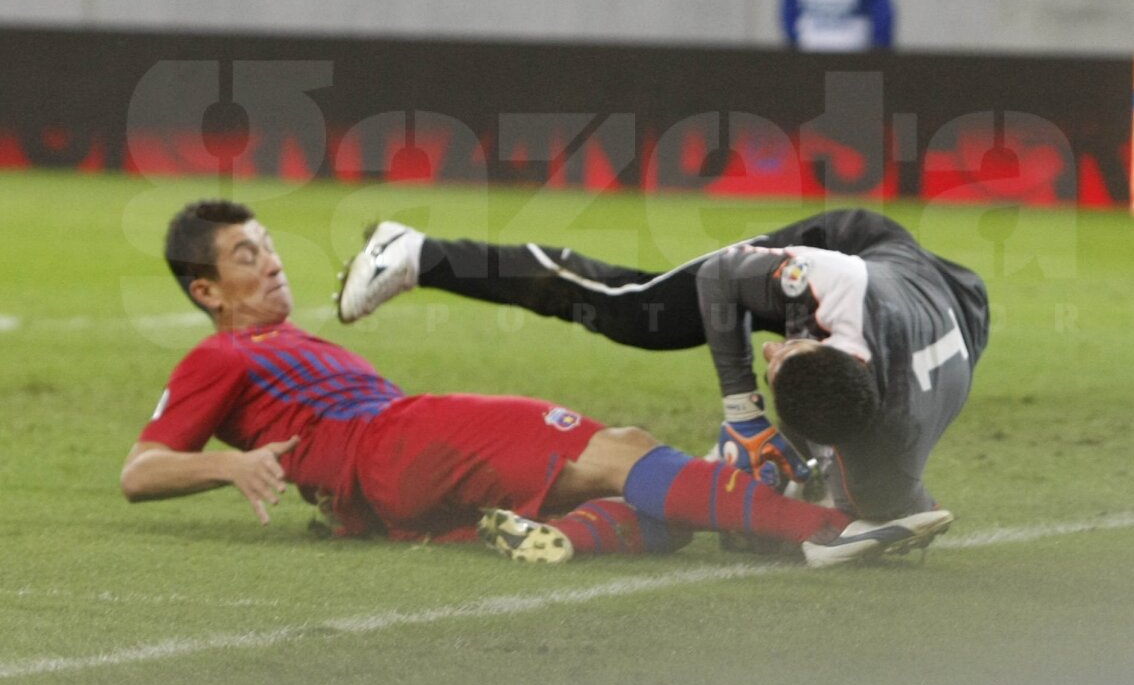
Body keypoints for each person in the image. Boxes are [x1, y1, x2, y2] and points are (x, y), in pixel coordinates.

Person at [121, 200, 952, 568]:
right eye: (244, 256)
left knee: (648, 492)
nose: (270, 262)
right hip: (396, 437)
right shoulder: (222, 355)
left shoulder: (284, 346)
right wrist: (229, 466)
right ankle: (825, 529)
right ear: (206, 293)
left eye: (266, 245)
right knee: (624, 449)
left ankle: (578, 537)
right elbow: (141, 469)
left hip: (387, 478)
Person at [337, 207, 988, 525]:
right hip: (875, 257)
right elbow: (720, 281)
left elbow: (905, 518)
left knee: (799, 496)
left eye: (774, 358)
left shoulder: (885, 453)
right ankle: (418, 252)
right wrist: (743, 412)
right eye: (786, 351)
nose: (769, 349)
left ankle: (787, 458)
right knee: (636, 313)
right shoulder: (835, 282)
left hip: (947, 311)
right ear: (825, 344)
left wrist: (829, 492)